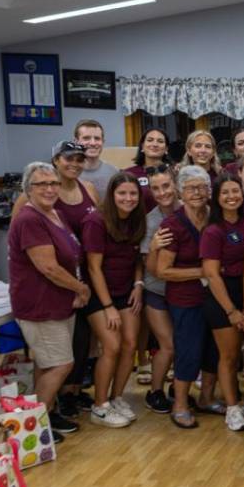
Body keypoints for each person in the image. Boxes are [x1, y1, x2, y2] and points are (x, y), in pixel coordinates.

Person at [7, 161, 91, 439]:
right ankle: (33, 427)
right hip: (39, 305)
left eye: (53, 183)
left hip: (59, 302)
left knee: (47, 363)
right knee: (61, 364)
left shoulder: (54, 214)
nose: (49, 188)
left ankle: (47, 413)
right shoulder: (30, 219)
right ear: (28, 189)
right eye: (41, 184)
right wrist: (80, 288)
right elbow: (49, 267)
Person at [80, 172, 144, 429]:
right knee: (112, 346)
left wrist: (138, 284)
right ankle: (100, 405)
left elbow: (137, 258)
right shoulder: (96, 221)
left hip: (126, 290)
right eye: (122, 193)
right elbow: (93, 269)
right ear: (111, 195)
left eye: (133, 194)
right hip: (99, 294)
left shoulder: (136, 220)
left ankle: (117, 397)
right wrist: (108, 307)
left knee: (130, 344)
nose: (128, 198)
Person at [154, 165, 215, 429]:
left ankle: (206, 398)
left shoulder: (216, 217)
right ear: (180, 192)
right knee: (188, 351)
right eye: (191, 188)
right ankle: (180, 403)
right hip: (185, 299)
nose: (197, 193)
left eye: (202, 187)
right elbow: (162, 270)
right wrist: (203, 272)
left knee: (213, 350)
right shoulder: (172, 225)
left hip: (215, 297)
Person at [198, 173, 244, 432]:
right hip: (222, 297)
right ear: (217, 198)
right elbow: (211, 274)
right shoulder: (213, 231)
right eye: (225, 193)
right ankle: (233, 408)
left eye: (236, 191)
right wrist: (232, 311)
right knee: (230, 356)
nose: (232, 196)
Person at [140, 168, 179, 416]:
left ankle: (179, 388)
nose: (162, 192)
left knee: (185, 344)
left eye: (166, 186)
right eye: (156, 188)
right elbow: (150, 267)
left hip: (185, 291)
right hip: (158, 292)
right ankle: (155, 391)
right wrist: (154, 247)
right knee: (168, 345)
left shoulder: (190, 210)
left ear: (175, 185)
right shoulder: (150, 221)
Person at [74, 119, 118, 196]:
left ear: (103, 142)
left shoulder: (114, 173)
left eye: (97, 138)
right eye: (86, 138)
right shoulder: (68, 173)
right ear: (76, 142)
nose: (93, 143)